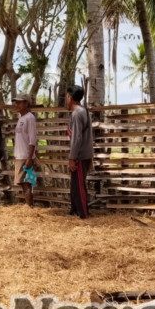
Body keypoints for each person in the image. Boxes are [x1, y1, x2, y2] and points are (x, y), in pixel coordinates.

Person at [66, 85, 93, 219]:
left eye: (67, 97)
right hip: (83, 153)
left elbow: (77, 138)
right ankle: (75, 209)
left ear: (70, 98)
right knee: (76, 184)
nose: (66, 99)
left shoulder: (77, 113)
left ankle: (84, 213)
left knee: (80, 185)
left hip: (80, 155)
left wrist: (72, 157)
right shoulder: (84, 111)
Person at [13, 93, 37, 206]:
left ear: (26, 103)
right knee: (24, 183)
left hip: (25, 156)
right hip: (20, 155)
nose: (16, 104)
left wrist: (29, 158)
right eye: (16, 102)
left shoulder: (30, 118)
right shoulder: (21, 118)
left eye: (19, 102)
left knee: (26, 183)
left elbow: (32, 140)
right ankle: (29, 206)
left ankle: (30, 207)